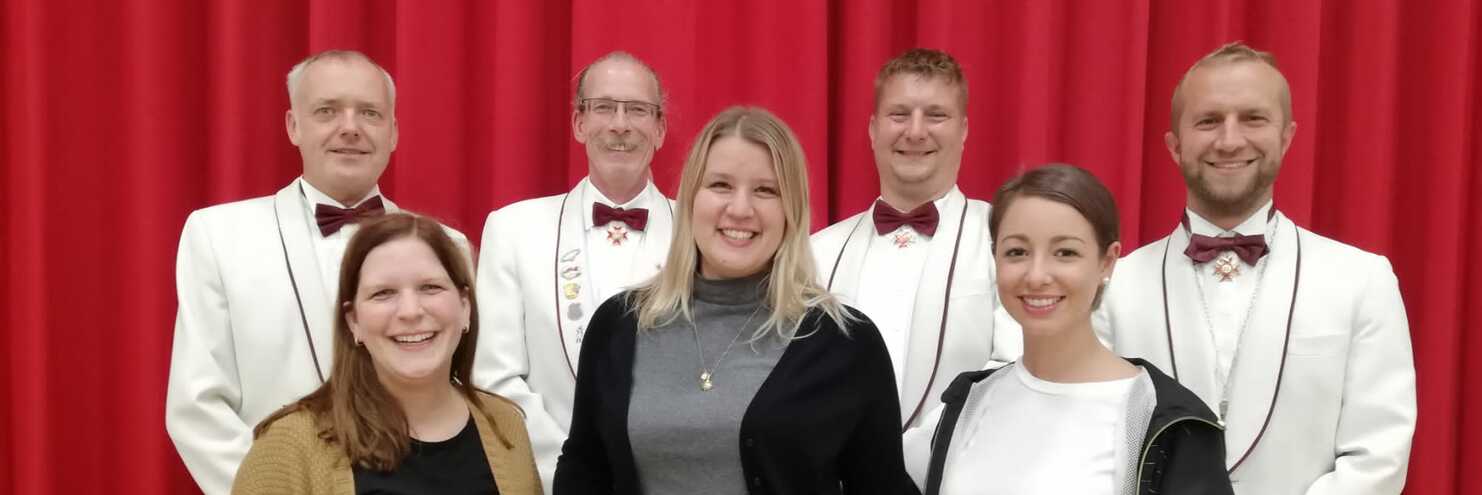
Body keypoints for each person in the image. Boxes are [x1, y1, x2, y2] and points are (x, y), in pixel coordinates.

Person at [1096, 42, 1416, 494]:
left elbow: (1378, 456)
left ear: (1286, 137)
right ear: (1174, 145)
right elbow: (1094, 449)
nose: (1229, 140)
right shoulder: (1113, 288)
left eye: (1253, 118)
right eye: (1208, 120)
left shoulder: (1363, 280)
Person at [554, 106, 917, 494]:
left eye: (766, 190)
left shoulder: (847, 344)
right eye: (721, 186)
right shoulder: (618, 325)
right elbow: (584, 469)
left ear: (791, 210)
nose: (740, 209)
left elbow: (883, 485)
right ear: (691, 198)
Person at [166, 49, 470, 494]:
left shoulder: (449, 246)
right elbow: (197, 406)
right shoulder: (217, 235)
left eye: (369, 112)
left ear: (393, 133)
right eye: (327, 111)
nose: (350, 127)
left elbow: (459, 392)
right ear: (293, 126)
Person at [906, 164, 1232, 495]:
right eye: (1016, 252)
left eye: (1065, 253)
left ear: (1107, 261)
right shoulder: (966, 403)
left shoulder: (1165, 421)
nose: (1036, 275)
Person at [475, 51, 674, 493]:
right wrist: (572, 471)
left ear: (660, 128)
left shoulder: (699, 237)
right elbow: (495, 379)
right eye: (603, 107)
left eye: (637, 109)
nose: (619, 124)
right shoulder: (512, 230)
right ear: (579, 123)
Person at [233, 213, 539, 494]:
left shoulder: (506, 427)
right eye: (383, 293)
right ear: (353, 322)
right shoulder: (288, 447)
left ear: (465, 307)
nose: (410, 311)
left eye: (430, 287)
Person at [812, 48, 1021, 429]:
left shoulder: (1007, 239)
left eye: (936, 115)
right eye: (900, 114)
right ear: (873, 130)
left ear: (964, 130)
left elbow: (1014, 371)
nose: (915, 131)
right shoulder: (816, 253)